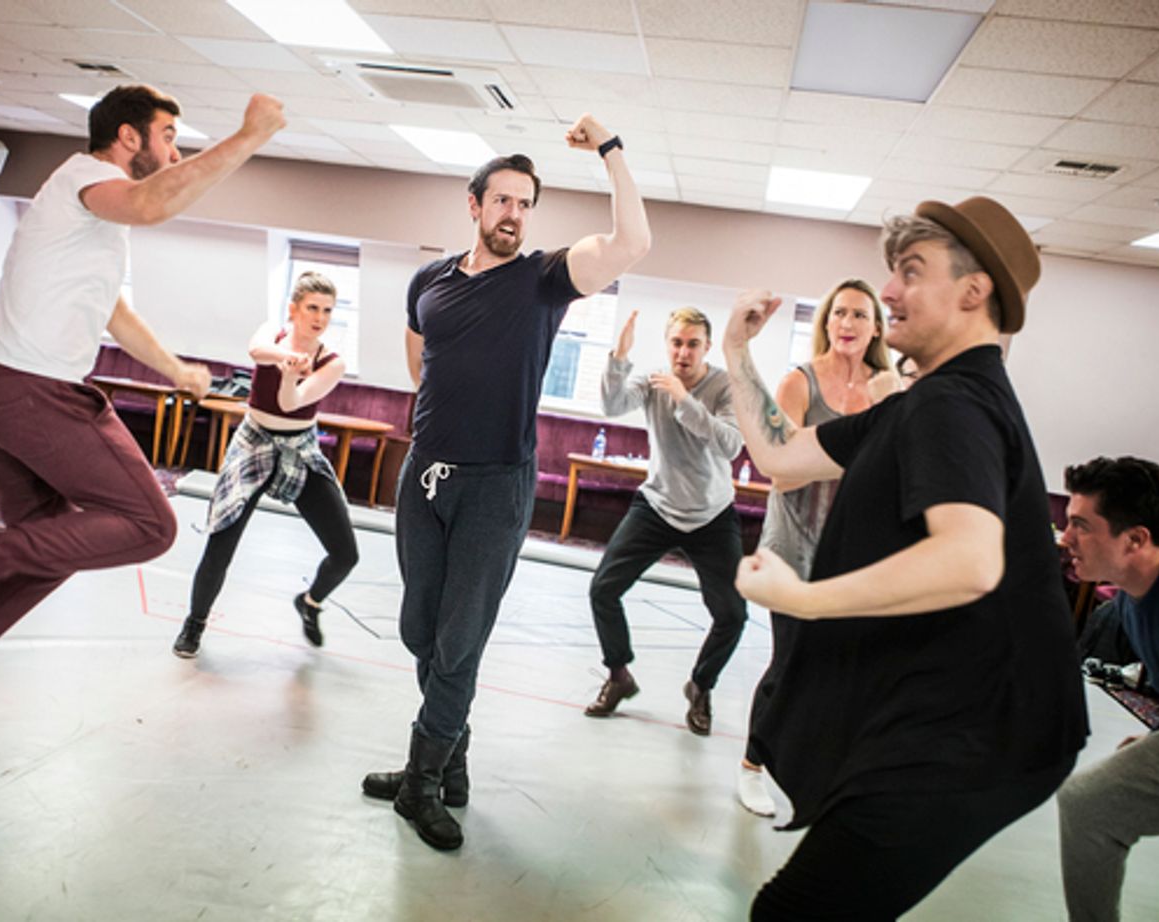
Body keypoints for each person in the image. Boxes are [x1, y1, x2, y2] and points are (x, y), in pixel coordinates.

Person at [0, 84, 287, 750]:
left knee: (50, 553)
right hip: (36, 395)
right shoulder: (89, 177)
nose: (173, 149)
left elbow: (113, 313)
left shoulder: (89, 218)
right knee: (151, 525)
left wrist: (175, 370)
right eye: (168, 134)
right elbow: (153, 203)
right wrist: (249, 137)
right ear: (127, 137)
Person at [721, 196, 1088, 919]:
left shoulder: (954, 405)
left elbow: (969, 560)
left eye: (911, 271)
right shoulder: (921, 403)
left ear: (973, 291)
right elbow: (779, 455)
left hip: (980, 736)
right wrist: (737, 351)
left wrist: (803, 598)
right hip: (946, 720)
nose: (888, 291)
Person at [361, 115, 651, 851]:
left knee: (459, 643)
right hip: (424, 476)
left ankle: (421, 783)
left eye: (526, 203)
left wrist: (611, 151)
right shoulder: (430, 279)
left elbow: (632, 245)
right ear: (475, 204)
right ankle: (449, 759)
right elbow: (418, 353)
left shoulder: (545, 278)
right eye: (503, 200)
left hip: (497, 485)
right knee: (418, 631)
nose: (514, 214)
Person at [737, 278, 899, 818]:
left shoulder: (888, 388)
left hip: (853, 551)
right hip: (794, 547)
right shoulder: (800, 383)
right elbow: (782, 474)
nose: (848, 323)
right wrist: (861, 448)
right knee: (791, 664)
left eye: (860, 314)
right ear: (826, 323)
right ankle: (752, 769)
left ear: (876, 326)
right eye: (839, 314)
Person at [581, 307, 748, 738]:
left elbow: (730, 444)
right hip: (657, 505)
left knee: (732, 613)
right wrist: (619, 356)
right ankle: (619, 676)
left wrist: (683, 398)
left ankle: (701, 686)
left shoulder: (725, 386)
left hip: (712, 514)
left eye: (693, 344)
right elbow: (612, 405)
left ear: (707, 348)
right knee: (603, 589)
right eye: (677, 342)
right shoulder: (655, 380)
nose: (683, 352)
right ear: (667, 344)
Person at [172, 271, 358, 658]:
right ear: (294, 309)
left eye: (327, 310)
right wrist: (287, 359)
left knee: (345, 553)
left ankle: (309, 602)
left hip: (299, 449)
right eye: (312, 308)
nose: (319, 317)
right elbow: (257, 351)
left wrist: (291, 376)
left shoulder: (333, 363)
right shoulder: (272, 332)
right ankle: (195, 624)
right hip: (253, 443)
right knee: (221, 542)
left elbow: (292, 403)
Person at [1056, 456, 1159, 922]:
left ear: (1135, 539)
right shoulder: (1133, 598)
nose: (1066, 537)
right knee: (1087, 804)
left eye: (1080, 525)